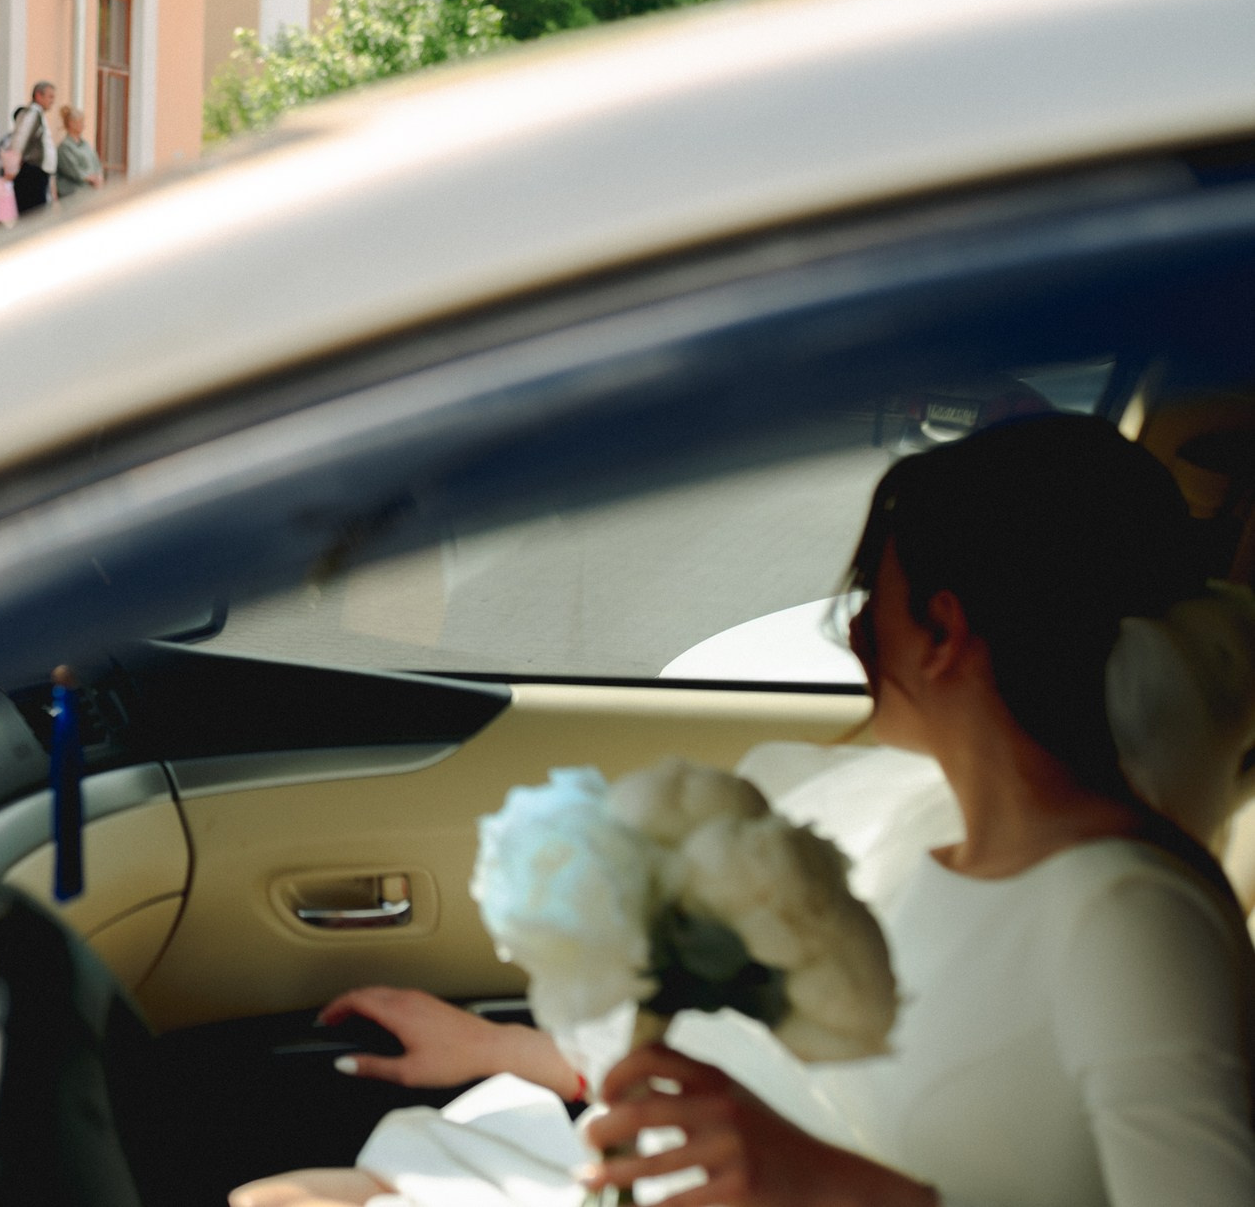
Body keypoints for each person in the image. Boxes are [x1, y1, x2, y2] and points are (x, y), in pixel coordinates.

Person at [240, 415, 1255, 1207]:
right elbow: (779, 1075)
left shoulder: (1129, 917)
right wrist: (499, 1048)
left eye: (874, 595)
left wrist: (835, 1188)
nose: (853, 631)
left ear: (942, 630)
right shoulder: (921, 834)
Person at [0, 81, 58, 216]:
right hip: (31, 172)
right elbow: (20, 138)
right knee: (32, 216)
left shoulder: (38, 114)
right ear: (38, 95)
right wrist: (12, 166)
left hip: (37, 173)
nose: (52, 101)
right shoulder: (33, 113)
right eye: (50, 97)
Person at [54, 103, 105, 201]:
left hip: (90, 194)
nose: (83, 125)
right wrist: (91, 178)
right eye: (80, 122)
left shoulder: (85, 145)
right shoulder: (64, 147)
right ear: (71, 123)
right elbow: (74, 171)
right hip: (74, 195)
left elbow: (96, 164)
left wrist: (99, 177)